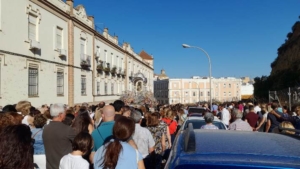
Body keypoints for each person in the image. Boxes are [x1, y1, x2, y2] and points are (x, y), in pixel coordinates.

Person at [43, 103, 77, 169]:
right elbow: (78, 143)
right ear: (60, 115)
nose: (65, 115)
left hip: (50, 166)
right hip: (64, 165)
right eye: (64, 113)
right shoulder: (67, 129)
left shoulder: (45, 128)